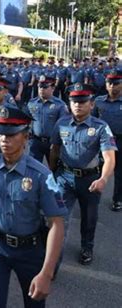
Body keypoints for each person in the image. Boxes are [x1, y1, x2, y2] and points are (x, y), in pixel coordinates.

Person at [0, 106, 66, 308]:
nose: (5, 139)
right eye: (1, 134)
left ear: (25, 137)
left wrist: (46, 273)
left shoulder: (41, 175)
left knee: (34, 303)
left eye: (12, 135)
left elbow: (56, 223)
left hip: (30, 250)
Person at [49, 83, 117, 265]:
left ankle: (87, 247)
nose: (78, 105)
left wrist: (103, 179)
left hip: (90, 180)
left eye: (82, 102)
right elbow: (54, 149)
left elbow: (109, 157)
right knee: (59, 218)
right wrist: (52, 172)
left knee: (89, 219)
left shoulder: (101, 127)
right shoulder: (61, 123)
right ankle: (53, 262)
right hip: (65, 178)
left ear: (92, 104)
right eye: (74, 102)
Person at [93, 70, 122, 211]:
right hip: (102, 142)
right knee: (96, 169)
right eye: (109, 83)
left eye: (116, 83)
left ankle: (118, 199)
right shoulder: (98, 101)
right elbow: (92, 121)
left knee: (120, 173)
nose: (112, 86)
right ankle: (93, 196)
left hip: (120, 141)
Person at [25, 76, 68, 163]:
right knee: (33, 169)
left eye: (45, 87)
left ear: (52, 88)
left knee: (55, 169)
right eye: (40, 87)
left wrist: (58, 143)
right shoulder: (32, 103)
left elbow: (64, 126)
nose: (41, 89)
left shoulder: (60, 105)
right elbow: (25, 120)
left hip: (52, 143)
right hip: (36, 142)